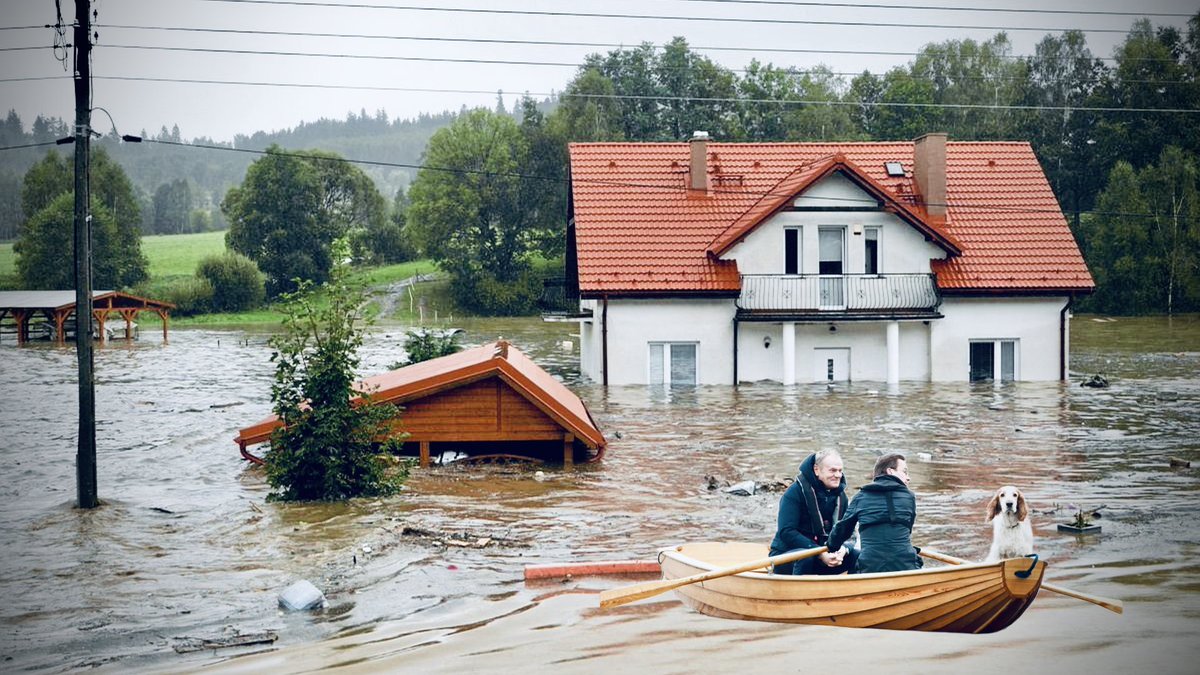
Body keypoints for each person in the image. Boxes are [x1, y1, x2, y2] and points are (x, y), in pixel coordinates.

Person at [826, 453, 922, 574]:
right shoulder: (909, 496)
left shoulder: (861, 496)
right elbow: (907, 530)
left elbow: (842, 529)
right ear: (890, 471)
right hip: (906, 566)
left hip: (870, 567)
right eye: (904, 471)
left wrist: (831, 546)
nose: (908, 477)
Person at [768, 449, 859, 575]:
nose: (838, 475)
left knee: (857, 555)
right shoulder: (794, 492)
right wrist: (819, 552)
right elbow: (786, 531)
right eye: (832, 470)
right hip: (788, 556)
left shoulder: (841, 497)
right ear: (817, 470)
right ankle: (797, 592)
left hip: (823, 555)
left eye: (840, 471)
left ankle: (853, 592)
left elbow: (849, 534)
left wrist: (843, 550)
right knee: (806, 556)